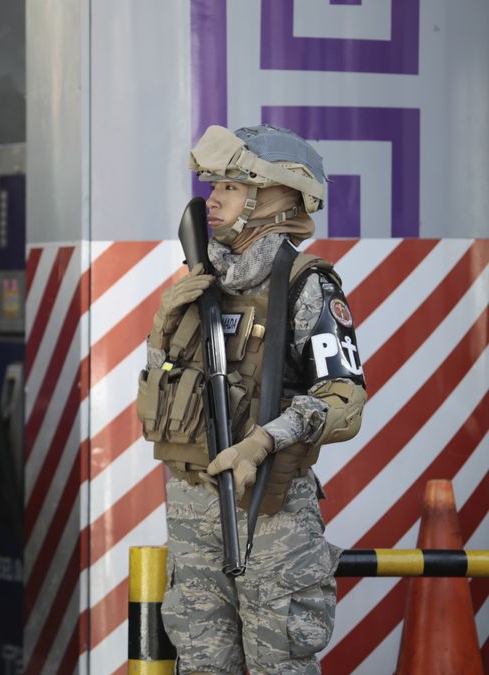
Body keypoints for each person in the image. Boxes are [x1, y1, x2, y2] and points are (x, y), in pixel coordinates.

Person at [137, 124, 368, 674]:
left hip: (270, 511)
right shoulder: (199, 282)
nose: (212, 199)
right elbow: (158, 398)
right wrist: (161, 330)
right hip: (194, 509)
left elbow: (344, 398)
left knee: (277, 664)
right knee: (202, 664)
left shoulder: (306, 286)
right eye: (213, 185)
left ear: (276, 198)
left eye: (232, 187)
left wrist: (263, 440)